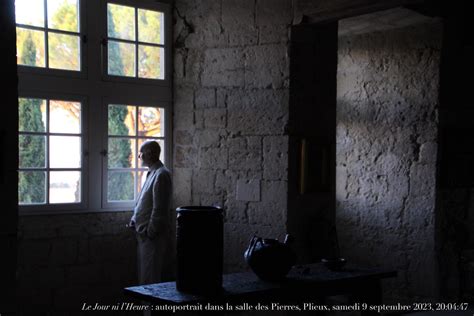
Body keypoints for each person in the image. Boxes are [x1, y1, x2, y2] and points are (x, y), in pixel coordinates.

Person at [128, 140, 172, 285]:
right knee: (144, 278)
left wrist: (150, 232)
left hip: (151, 238)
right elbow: (144, 202)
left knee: (150, 280)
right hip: (144, 236)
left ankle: (151, 309)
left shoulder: (161, 175)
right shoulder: (152, 173)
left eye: (140, 153)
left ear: (149, 154)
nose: (139, 157)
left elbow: (159, 209)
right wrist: (135, 220)